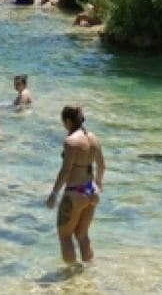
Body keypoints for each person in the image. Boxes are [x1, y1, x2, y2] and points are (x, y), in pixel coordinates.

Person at [47, 105, 105, 264]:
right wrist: (99, 184)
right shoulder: (93, 138)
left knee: (65, 236)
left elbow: (66, 171)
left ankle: (70, 278)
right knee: (82, 234)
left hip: (75, 192)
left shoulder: (71, 142)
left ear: (68, 121)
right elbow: (101, 166)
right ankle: (89, 270)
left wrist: (54, 193)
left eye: (63, 122)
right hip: (91, 190)